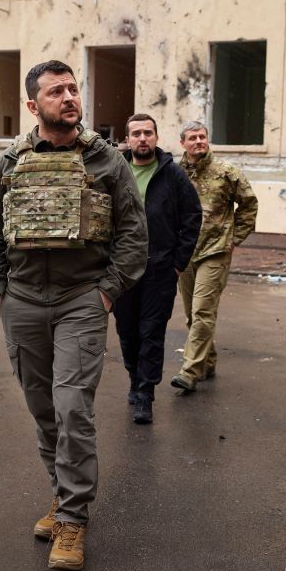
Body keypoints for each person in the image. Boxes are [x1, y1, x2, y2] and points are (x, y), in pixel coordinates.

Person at [0, 60, 147, 571]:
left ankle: (73, 519)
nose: (70, 97)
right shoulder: (9, 162)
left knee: (73, 407)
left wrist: (106, 292)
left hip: (81, 300)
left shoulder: (107, 162)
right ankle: (60, 494)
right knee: (43, 410)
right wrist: (0, 289)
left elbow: (134, 235)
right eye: (56, 91)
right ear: (34, 106)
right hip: (24, 302)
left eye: (74, 89)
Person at [115, 113, 201, 424]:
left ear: (156, 137)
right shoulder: (116, 170)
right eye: (136, 133)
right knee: (127, 331)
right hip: (123, 269)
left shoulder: (173, 175)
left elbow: (192, 218)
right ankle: (134, 379)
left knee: (151, 331)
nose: (142, 138)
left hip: (160, 268)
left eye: (147, 133)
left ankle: (145, 394)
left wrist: (178, 262)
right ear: (128, 139)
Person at [170, 121, 258, 394]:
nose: (199, 141)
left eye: (202, 136)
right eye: (192, 138)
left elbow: (249, 204)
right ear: (182, 143)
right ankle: (207, 359)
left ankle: (190, 370)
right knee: (190, 315)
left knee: (203, 311)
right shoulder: (173, 173)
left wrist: (234, 238)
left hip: (215, 250)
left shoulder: (226, 172)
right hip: (185, 251)